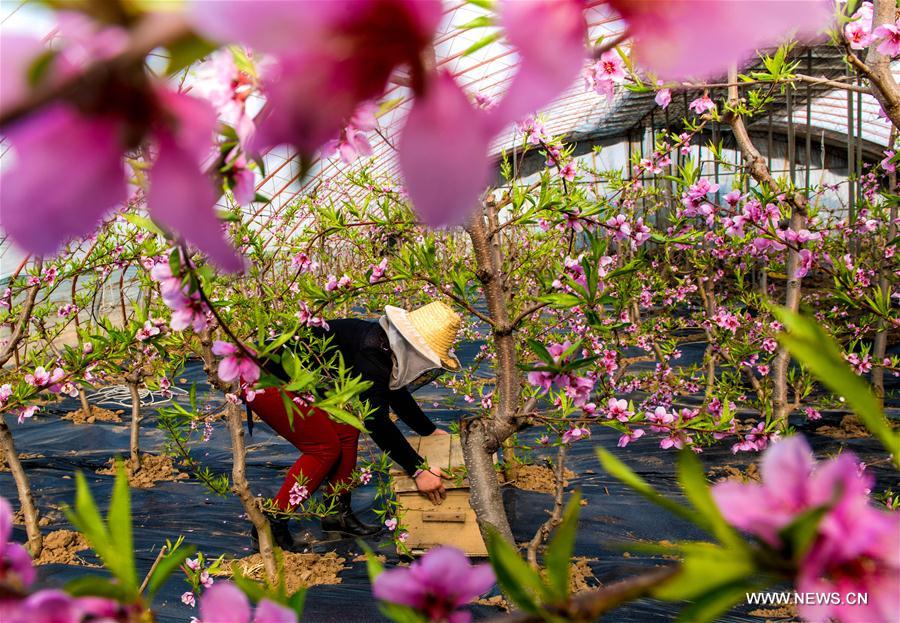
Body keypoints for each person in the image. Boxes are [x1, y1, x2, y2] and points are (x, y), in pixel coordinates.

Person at [248, 301, 461, 551]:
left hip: (293, 379)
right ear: (412, 348)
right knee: (323, 448)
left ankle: (337, 513)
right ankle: (273, 521)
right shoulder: (371, 355)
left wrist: (429, 430)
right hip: (260, 377)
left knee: (346, 429)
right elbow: (377, 421)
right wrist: (418, 470)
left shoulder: (381, 344)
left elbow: (394, 393)